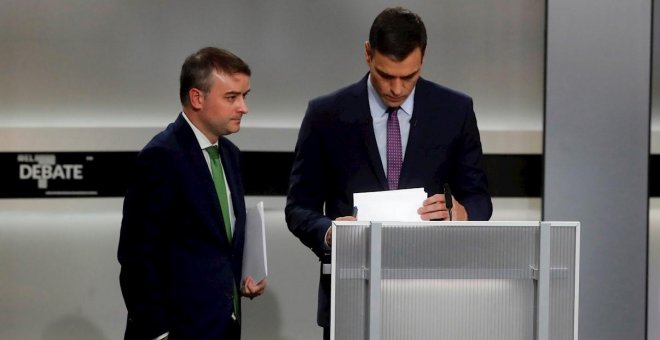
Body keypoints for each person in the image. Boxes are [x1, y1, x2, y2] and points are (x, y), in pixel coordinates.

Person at [285, 7, 492, 339]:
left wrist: (462, 213)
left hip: (431, 296)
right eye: (386, 75)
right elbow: (298, 209)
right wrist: (330, 232)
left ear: (422, 60)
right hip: (350, 295)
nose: (397, 88)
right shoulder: (326, 114)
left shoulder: (454, 110)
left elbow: (479, 197)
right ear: (368, 54)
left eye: (408, 77)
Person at [118, 47, 267, 340]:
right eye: (231, 97)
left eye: (244, 96)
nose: (243, 108)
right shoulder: (160, 157)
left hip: (223, 328)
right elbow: (136, 260)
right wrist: (159, 333)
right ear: (197, 97)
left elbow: (212, 247)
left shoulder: (231, 155)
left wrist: (238, 281)